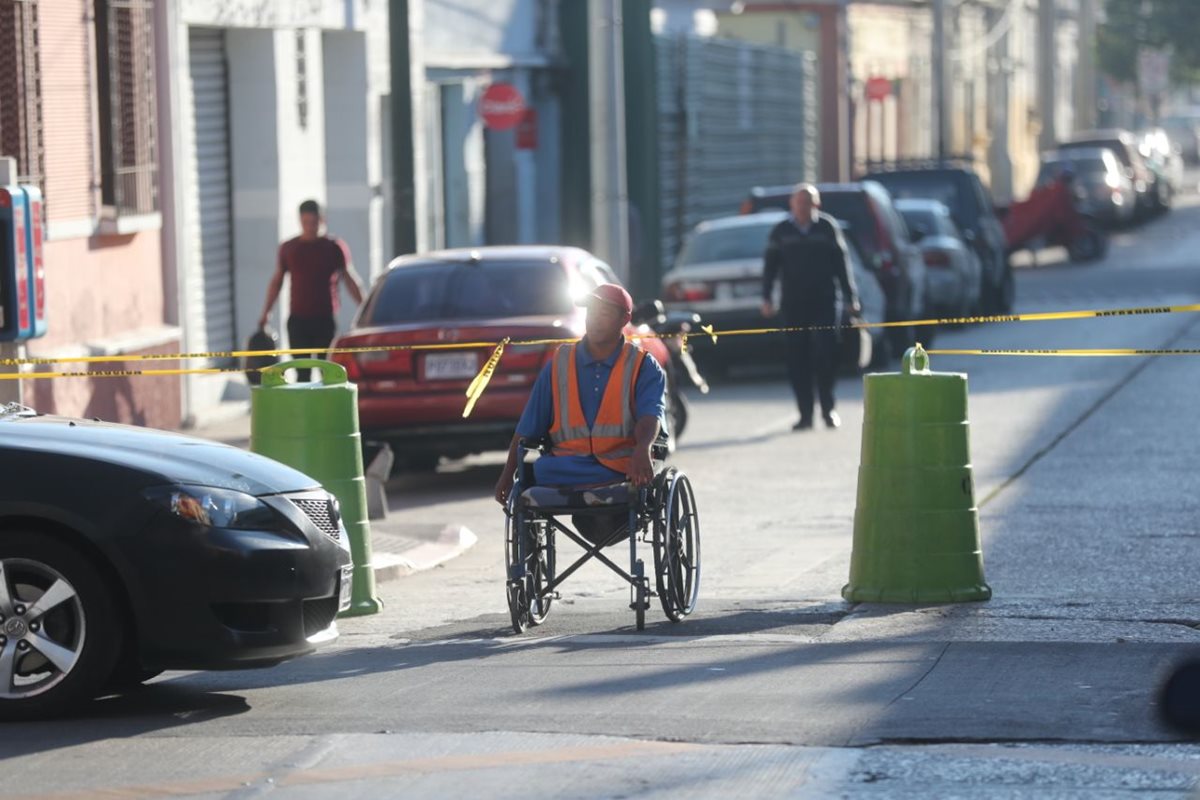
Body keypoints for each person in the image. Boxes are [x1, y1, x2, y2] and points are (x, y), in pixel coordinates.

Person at [493, 283, 667, 543]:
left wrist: (643, 448)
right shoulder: (559, 364)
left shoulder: (642, 365)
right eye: (591, 312)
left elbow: (650, 415)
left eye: (605, 313)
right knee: (532, 475)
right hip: (562, 470)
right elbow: (528, 427)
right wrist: (507, 476)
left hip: (617, 470)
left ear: (624, 319)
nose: (595, 319)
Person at [761, 183, 860, 431]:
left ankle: (828, 409)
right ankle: (805, 413)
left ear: (817, 205)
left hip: (825, 300)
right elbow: (770, 268)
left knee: (827, 353)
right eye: (798, 203)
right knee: (797, 358)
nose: (803, 208)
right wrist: (766, 297)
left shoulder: (827, 228)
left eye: (808, 203)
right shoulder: (781, 231)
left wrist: (851, 297)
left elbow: (841, 263)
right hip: (794, 302)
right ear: (792, 205)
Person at [259, 199, 366, 382]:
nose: (309, 227)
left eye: (313, 222)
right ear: (300, 221)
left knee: (327, 370)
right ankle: (304, 410)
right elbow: (277, 281)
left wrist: (365, 310)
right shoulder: (289, 248)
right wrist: (266, 313)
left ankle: (325, 409)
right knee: (302, 372)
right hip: (298, 321)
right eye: (305, 222)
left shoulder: (334, 247)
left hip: (325, 320)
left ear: (322, 220)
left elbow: (350, 279)